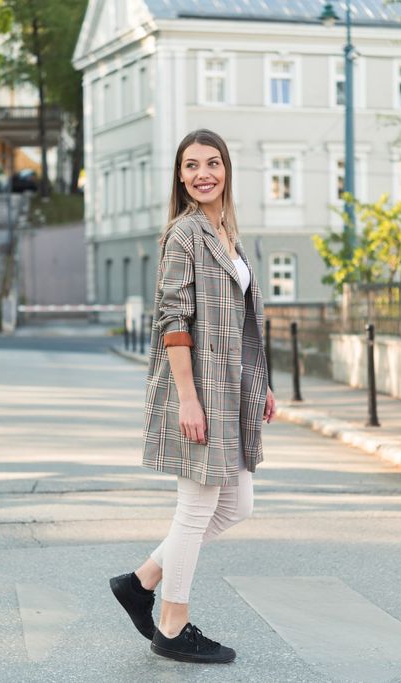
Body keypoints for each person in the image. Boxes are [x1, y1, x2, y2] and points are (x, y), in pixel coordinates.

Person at [109, 129, 276, 664]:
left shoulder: (226, 233)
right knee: (197, 505)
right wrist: (187, 398)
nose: (203, 173)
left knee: (237, 504)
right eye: (191, 166)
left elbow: (243, 324)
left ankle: (142, 581)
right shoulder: (184, 234)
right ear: (180, 178)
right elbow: (174, 321)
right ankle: (172, 624)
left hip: (232, 390)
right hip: (199, 389)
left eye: (212, 163)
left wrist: (262, 384)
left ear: (226, 169)